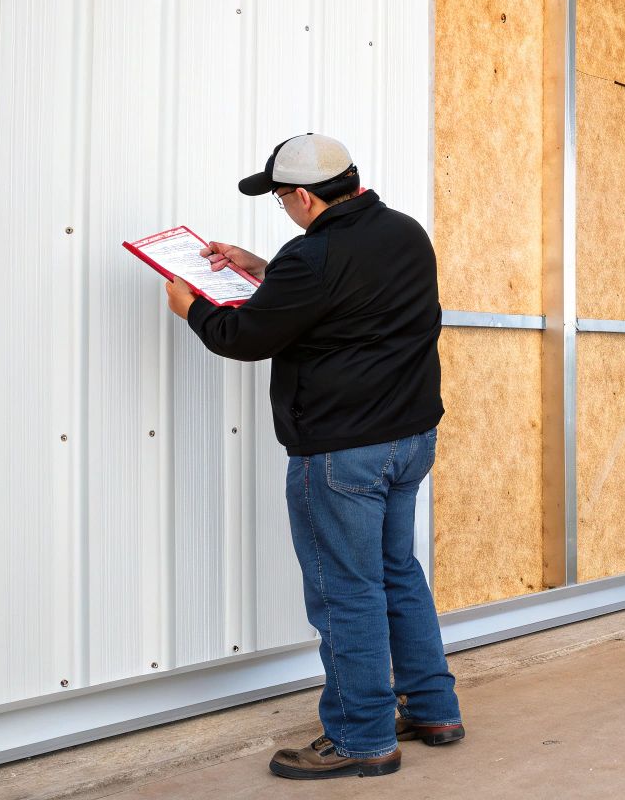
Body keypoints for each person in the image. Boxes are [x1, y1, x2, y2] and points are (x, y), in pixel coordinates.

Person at [164, 132, 464, 779]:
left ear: (303, 196)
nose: (285, 211)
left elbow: (245, 337)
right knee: (396, 572)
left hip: (342, 453)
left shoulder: (314, 256)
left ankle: (362, 738)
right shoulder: (404, 232)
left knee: (347, 594)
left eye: (280, 201)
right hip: (409, 440)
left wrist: (191, 308)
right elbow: (346, 297)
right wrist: (261, 267)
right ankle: (434, 708)